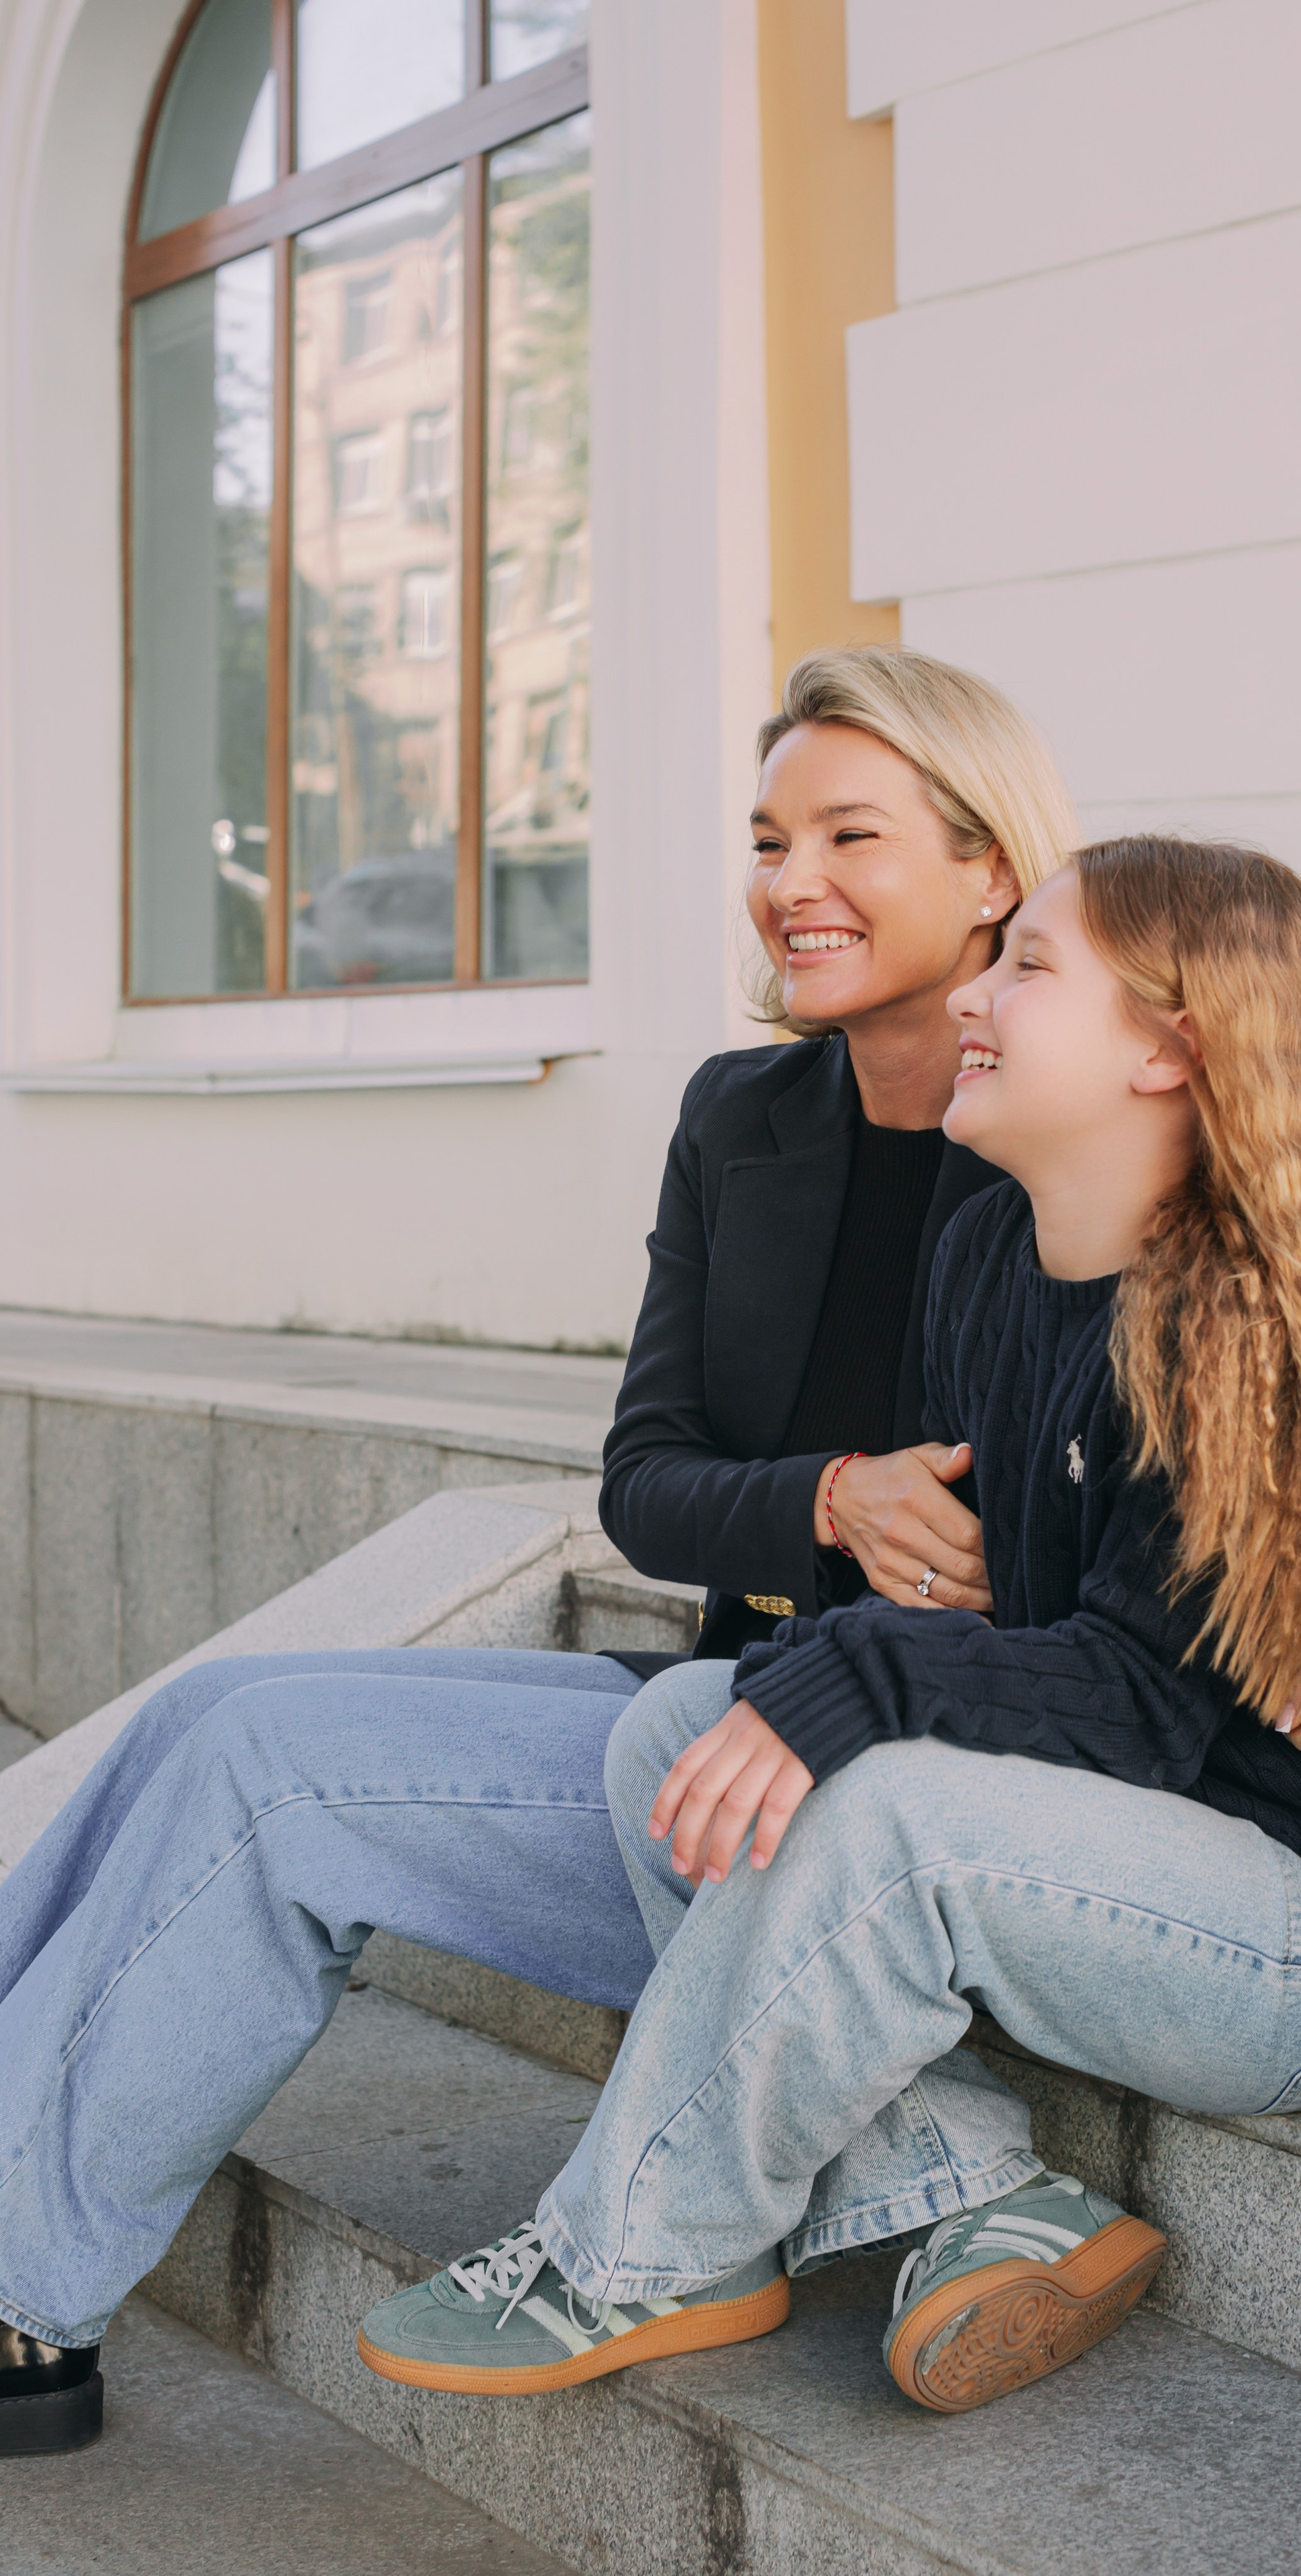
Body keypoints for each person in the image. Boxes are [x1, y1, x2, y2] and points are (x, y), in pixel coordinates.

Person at [0, 649, 1078, 2455]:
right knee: (218, 1720)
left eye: (848, 834)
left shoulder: (1067, 1135)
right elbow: (650, 1478)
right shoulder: (746, 1122)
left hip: (902, 1781)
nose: (788, 879)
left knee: (269, 1778)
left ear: (991, 869)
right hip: (725, 1712)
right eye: (766, 837)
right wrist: (824, 1496)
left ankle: (23, 2298)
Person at [354, 835, 1301, 2418]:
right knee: (680, 1725)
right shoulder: (987, 1251)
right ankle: (973, 2191)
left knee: (885, 1804)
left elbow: (1139, 1700)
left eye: (1027, 967)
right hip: (1135, 1846)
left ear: (1164, 1049)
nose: (973, 994)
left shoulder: (1240, 1322)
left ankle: (628, 2249)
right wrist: (841, 1654)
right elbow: (1011, 1640)